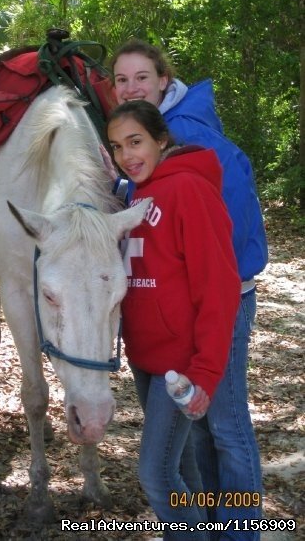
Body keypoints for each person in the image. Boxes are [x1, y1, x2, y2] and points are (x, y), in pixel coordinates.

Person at [110, 39, 268, 540]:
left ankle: (240, 531)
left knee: (224, 425)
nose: (132, 86)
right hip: (183, 315)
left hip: (221, 298)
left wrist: (223, 285)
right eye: (121, 79)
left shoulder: (188, 138)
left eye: (141, 77)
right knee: (199, 436)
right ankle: (210, 525)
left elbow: (218, 232)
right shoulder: (145, 157)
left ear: (163, 79)